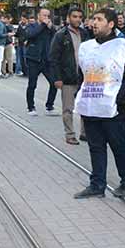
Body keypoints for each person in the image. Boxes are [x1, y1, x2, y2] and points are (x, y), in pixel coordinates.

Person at [72, 8, 125, 199]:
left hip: (113, 109)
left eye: (99, 19)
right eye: (93, 19)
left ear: (110, 24)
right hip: (92, 106)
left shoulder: (124, 47)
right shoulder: (87, 47)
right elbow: (82, 75)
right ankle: (97, 184)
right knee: (96, 146)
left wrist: (117, 101)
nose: (94, 23)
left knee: (118, 146)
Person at [50, 8, 87, 146]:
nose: (77, 19)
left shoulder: (85, 34)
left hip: (84, 77)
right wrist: (57, 78)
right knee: (68, 108)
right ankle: (70, 134)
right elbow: (53, 58)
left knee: (84, 107)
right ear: (68, 18)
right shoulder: (61, 35)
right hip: (67, 77)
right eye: (74, 16)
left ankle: (85, 132)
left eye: (79, 17)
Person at [26, 7, 59, 116]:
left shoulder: (49, 28)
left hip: (46, 60)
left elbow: (57, 36)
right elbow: (31, 35)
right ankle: (31, 107)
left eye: (48, 16)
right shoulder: (32, 26)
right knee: (32, 84)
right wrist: (43, 25)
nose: (46, 18)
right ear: (38, 16)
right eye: (44, 15)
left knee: (54, 83)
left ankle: (50, 105)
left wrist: (51, 28)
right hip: (34, 59)